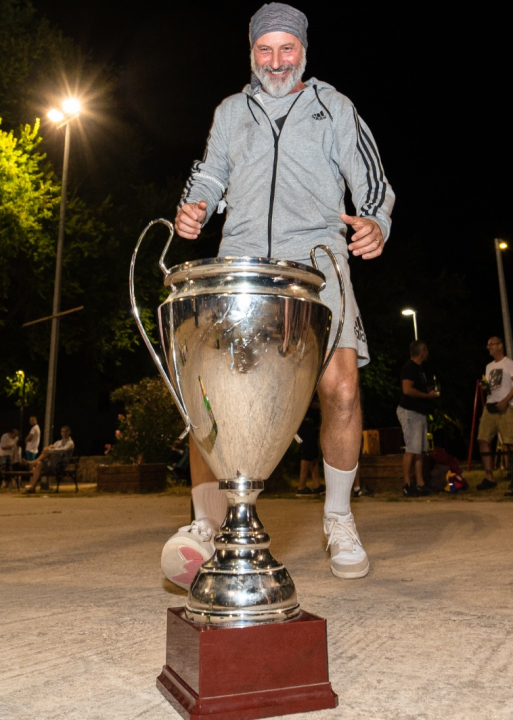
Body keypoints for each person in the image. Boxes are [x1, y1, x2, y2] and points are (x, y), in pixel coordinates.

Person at [164, 2, 394, 586]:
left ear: (304, 51)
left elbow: (372, 182)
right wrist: (195, 206)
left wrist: (375, 222)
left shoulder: (332, 107)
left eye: (285, 49)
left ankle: (338, 518)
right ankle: (207, 524)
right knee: (211, 396)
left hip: (318, 263)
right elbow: (211, 174)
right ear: (250, 53)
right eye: (264, 50)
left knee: (340, 390)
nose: (275, 61)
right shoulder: (230, 111)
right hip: (241, 264)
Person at [477, 337, 513, 490]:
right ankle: (489, 477)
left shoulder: (508, 363)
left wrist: (505, 401)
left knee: (509, 443)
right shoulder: (488, 366)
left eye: (492, 344)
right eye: (487, 345)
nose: (488, 347)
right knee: (483, 439)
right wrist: (485, 387)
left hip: (507, 406)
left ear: (500, 346)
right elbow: (492, 386)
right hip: (491, 406)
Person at [398, 341, 439, 496]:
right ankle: (407, 485)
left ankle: (420, 483)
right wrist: (426, 396)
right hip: (410, 412)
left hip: (419, 412)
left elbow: (417, 388)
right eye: (426, 349)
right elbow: (407, 390)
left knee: (420, 449)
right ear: (422, 351)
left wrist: (428, 391)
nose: (428, 352)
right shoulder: (410, 367)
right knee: (411, 448)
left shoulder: (419, 369)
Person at [24, 425, 74, 493]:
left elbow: (63, 450)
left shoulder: (70, 443)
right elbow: (53, 449)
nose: (64, 433)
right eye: (62, 431)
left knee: (48, 451)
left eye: (66, 432)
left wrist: (50, 450)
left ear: (69, 432)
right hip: (51, 464)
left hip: (59, 466)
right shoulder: (58, 442)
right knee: (39, 464)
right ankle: (32, 487)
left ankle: (32, 463)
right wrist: (48, 448)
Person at [295, 396, 324, 495]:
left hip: (312, 424)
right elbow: (308, 403)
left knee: (314, 454)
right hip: (306, 424)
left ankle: (317, 485)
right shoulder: (309, 390)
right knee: (307, 454)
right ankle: (301, 486)